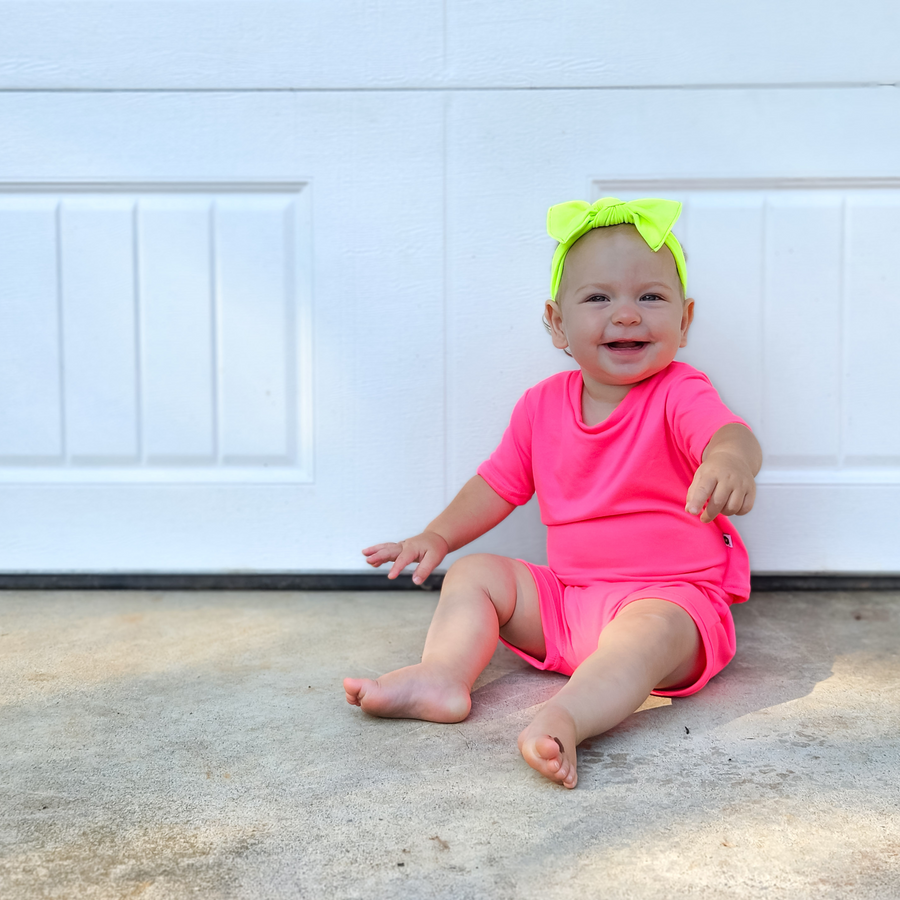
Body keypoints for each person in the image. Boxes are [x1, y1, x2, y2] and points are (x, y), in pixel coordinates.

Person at [344, 197, 762, 789]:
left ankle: (566, 717)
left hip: (672, 603)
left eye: (651, 297)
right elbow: (497, 484)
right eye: (598, 297)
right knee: (476, 573)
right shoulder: (541, 406)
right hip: (568, 604)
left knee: (649, 632)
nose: (626, 315)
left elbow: (730, 434)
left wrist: (728, 460)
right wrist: (437, 534)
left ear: (685, 319)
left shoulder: (679, 392)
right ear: (557, 322)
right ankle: (441, 676)